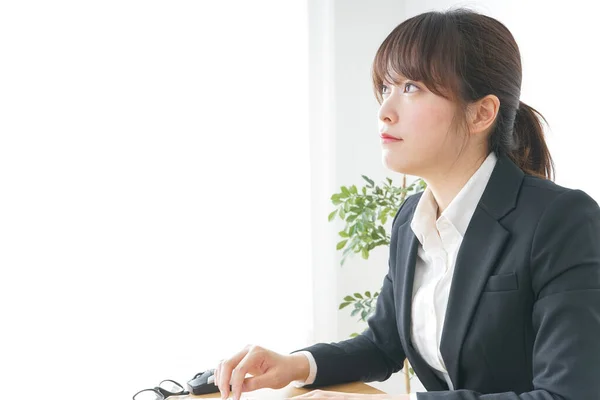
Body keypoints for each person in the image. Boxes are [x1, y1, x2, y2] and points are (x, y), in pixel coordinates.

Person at [213, 8, 600, 400]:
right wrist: (295, 365)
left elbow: (568, 395)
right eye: (385, 88)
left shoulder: (561, 220)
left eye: (411, 87)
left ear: (482, 113)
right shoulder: (410, 219)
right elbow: (383, 343)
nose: (384, 111)